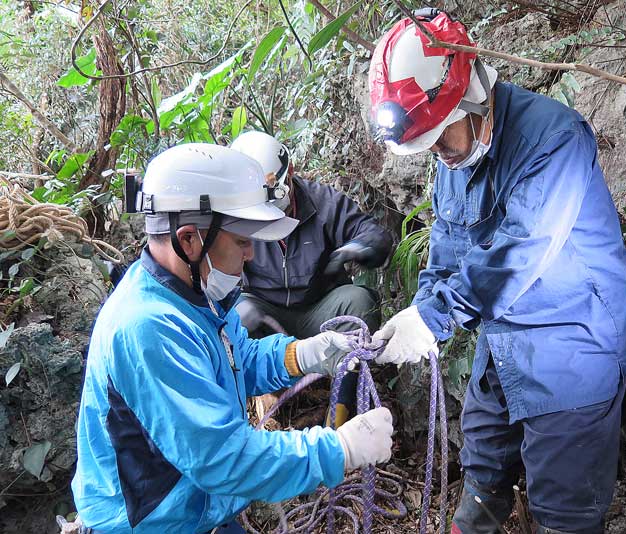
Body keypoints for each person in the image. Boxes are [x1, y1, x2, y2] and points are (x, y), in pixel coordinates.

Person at [368, 10, 626, 534]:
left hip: (571, 345)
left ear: (474, 100)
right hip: (503, 344)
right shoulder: (455, 157)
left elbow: (518, 253)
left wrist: (437, 319)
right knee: (482, 472)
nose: (441, 158)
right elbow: (445, 253)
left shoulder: (552, 140)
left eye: (444, 141)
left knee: (564, 512)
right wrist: (418, 312)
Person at [70, 143, 393, 533]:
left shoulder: (195, 297)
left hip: (196, 506)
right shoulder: (148, 328)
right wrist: (338, 450)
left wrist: (305, 354)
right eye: (243, 241)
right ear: (189, 240)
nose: (253, 255)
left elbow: (238, 359)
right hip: (151, 523)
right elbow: (223, 459)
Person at [230, 131, 393, 426]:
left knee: (359, 301)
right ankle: (256, 407)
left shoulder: (323, 203)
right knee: (237, 315)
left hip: (318, 311)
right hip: (265, 314)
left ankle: (341, 414)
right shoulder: (237, 214)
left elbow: (374, 235)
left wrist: (355, 249)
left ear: (289, 173)